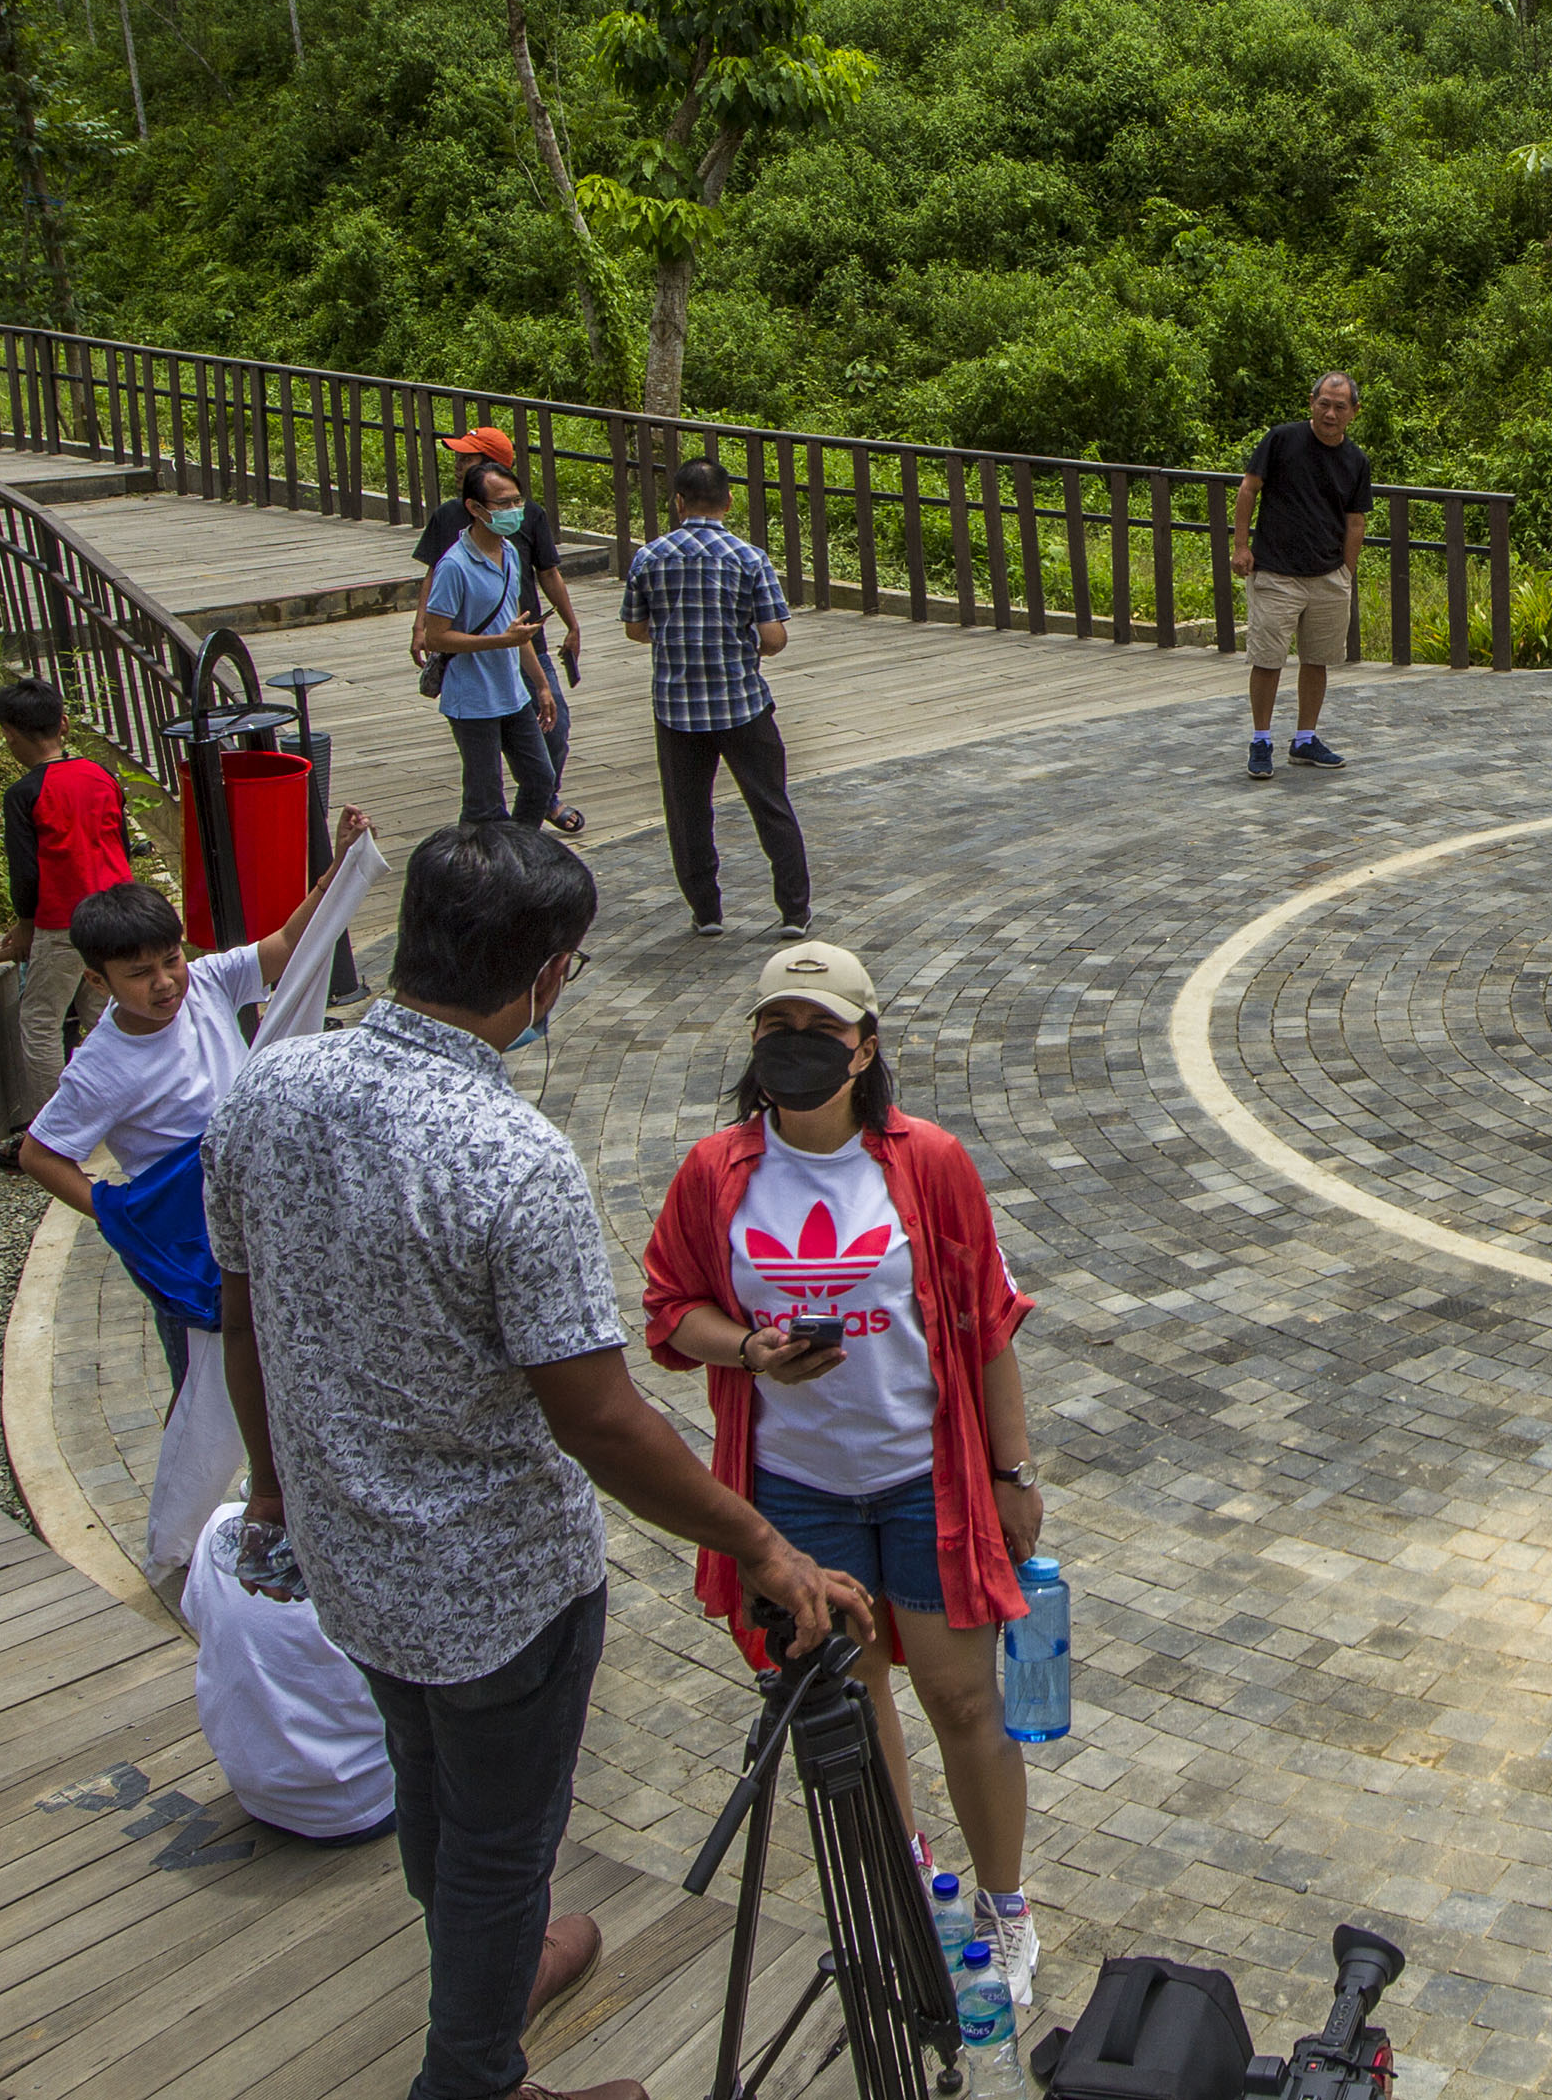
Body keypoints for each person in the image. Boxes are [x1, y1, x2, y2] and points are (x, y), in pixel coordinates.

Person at [210, 821, 872, 2100]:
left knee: (429, 1795)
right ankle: (476, 2076)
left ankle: (489, 1964)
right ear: (549, 976)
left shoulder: (269, 1088)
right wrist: (763, 1544)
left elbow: (245, 1314)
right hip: (502, 1592)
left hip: (347, 1554)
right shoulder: (510, 1158)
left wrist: (278, 1492)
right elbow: (602, 1419)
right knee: (502, 1845)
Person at [638, 943, 1049, 2000]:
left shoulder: (931, 1163)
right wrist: (751, 1350)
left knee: (966, 1704)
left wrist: (1014, 1472)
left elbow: (990, 1327)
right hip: (793, 1489)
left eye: (820, 1031)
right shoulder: (713, 1171)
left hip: (925, 1479)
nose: (796, 1049)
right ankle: (901, 1887)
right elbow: (673, 1310)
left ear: (865, 1048)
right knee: (855, 1717)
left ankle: (1006, 1911)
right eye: (776, 1029)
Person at [12, 824, 373, 1396]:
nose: (164, 983)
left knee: (283, 1362)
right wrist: (123, 1215)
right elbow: (40, 1154)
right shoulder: (100, 1066)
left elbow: (286, 947)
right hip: (195, 1239)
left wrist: (336, 868)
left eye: (169, 960)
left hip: (258, 1209)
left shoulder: (206, 983)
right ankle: (200, 1482)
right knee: (206, 1383)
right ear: (96, 980)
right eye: (138, 974)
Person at [622, 456, 810, 942]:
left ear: (678, 503)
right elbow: (774, 637)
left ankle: (706, 911)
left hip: (676, 706)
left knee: (688, 813)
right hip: (741, 701)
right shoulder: (750, 558)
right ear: (729, 501)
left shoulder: (649, 557)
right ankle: (794, 911)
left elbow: (635, 628)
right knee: (770, 805)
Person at [0, 676, 134, 1157]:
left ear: (10, 734)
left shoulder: (24, 793)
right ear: (63, 723)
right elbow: (122, 846)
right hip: (118, 913)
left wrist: (24, 928)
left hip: (64, 921)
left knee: (40, 1020)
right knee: (103, 1012)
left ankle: (52, 1134)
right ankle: (113, 1110)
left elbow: (26, 874)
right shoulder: (102, 776)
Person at [180, 1497, 396, 1846]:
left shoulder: (222, 1526)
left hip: (258, 1791)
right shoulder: (368, 1548)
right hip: (372, 1799)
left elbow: (196, 1615)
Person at [415, 429, 586, 836]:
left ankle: (518, 847)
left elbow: (520, 626)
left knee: (540, 778)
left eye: (517, 502)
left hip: (512, 689)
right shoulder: (454, 565)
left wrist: (542, 685)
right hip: (473, 698)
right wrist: (499, 641)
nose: (514, 511)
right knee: (483, 800)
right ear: (475, 508)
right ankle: (478, 865)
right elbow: (439, 636)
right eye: (504, 504)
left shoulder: (509, 551)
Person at [1230, 372, 1372, 779]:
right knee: (1268, 659)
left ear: (1353, 412)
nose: (1330, 413)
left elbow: (1356, 520)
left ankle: (1305, 739)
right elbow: (1248, 489)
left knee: (1318, 659)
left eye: (1339, 407)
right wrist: (1242, 547)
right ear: (1311, 402)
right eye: (1324, 403)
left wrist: (1346, 571)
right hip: (1276, 572)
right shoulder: (1282, 439)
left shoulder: (1356, 460)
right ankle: (1260, 739)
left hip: (1328, 576)